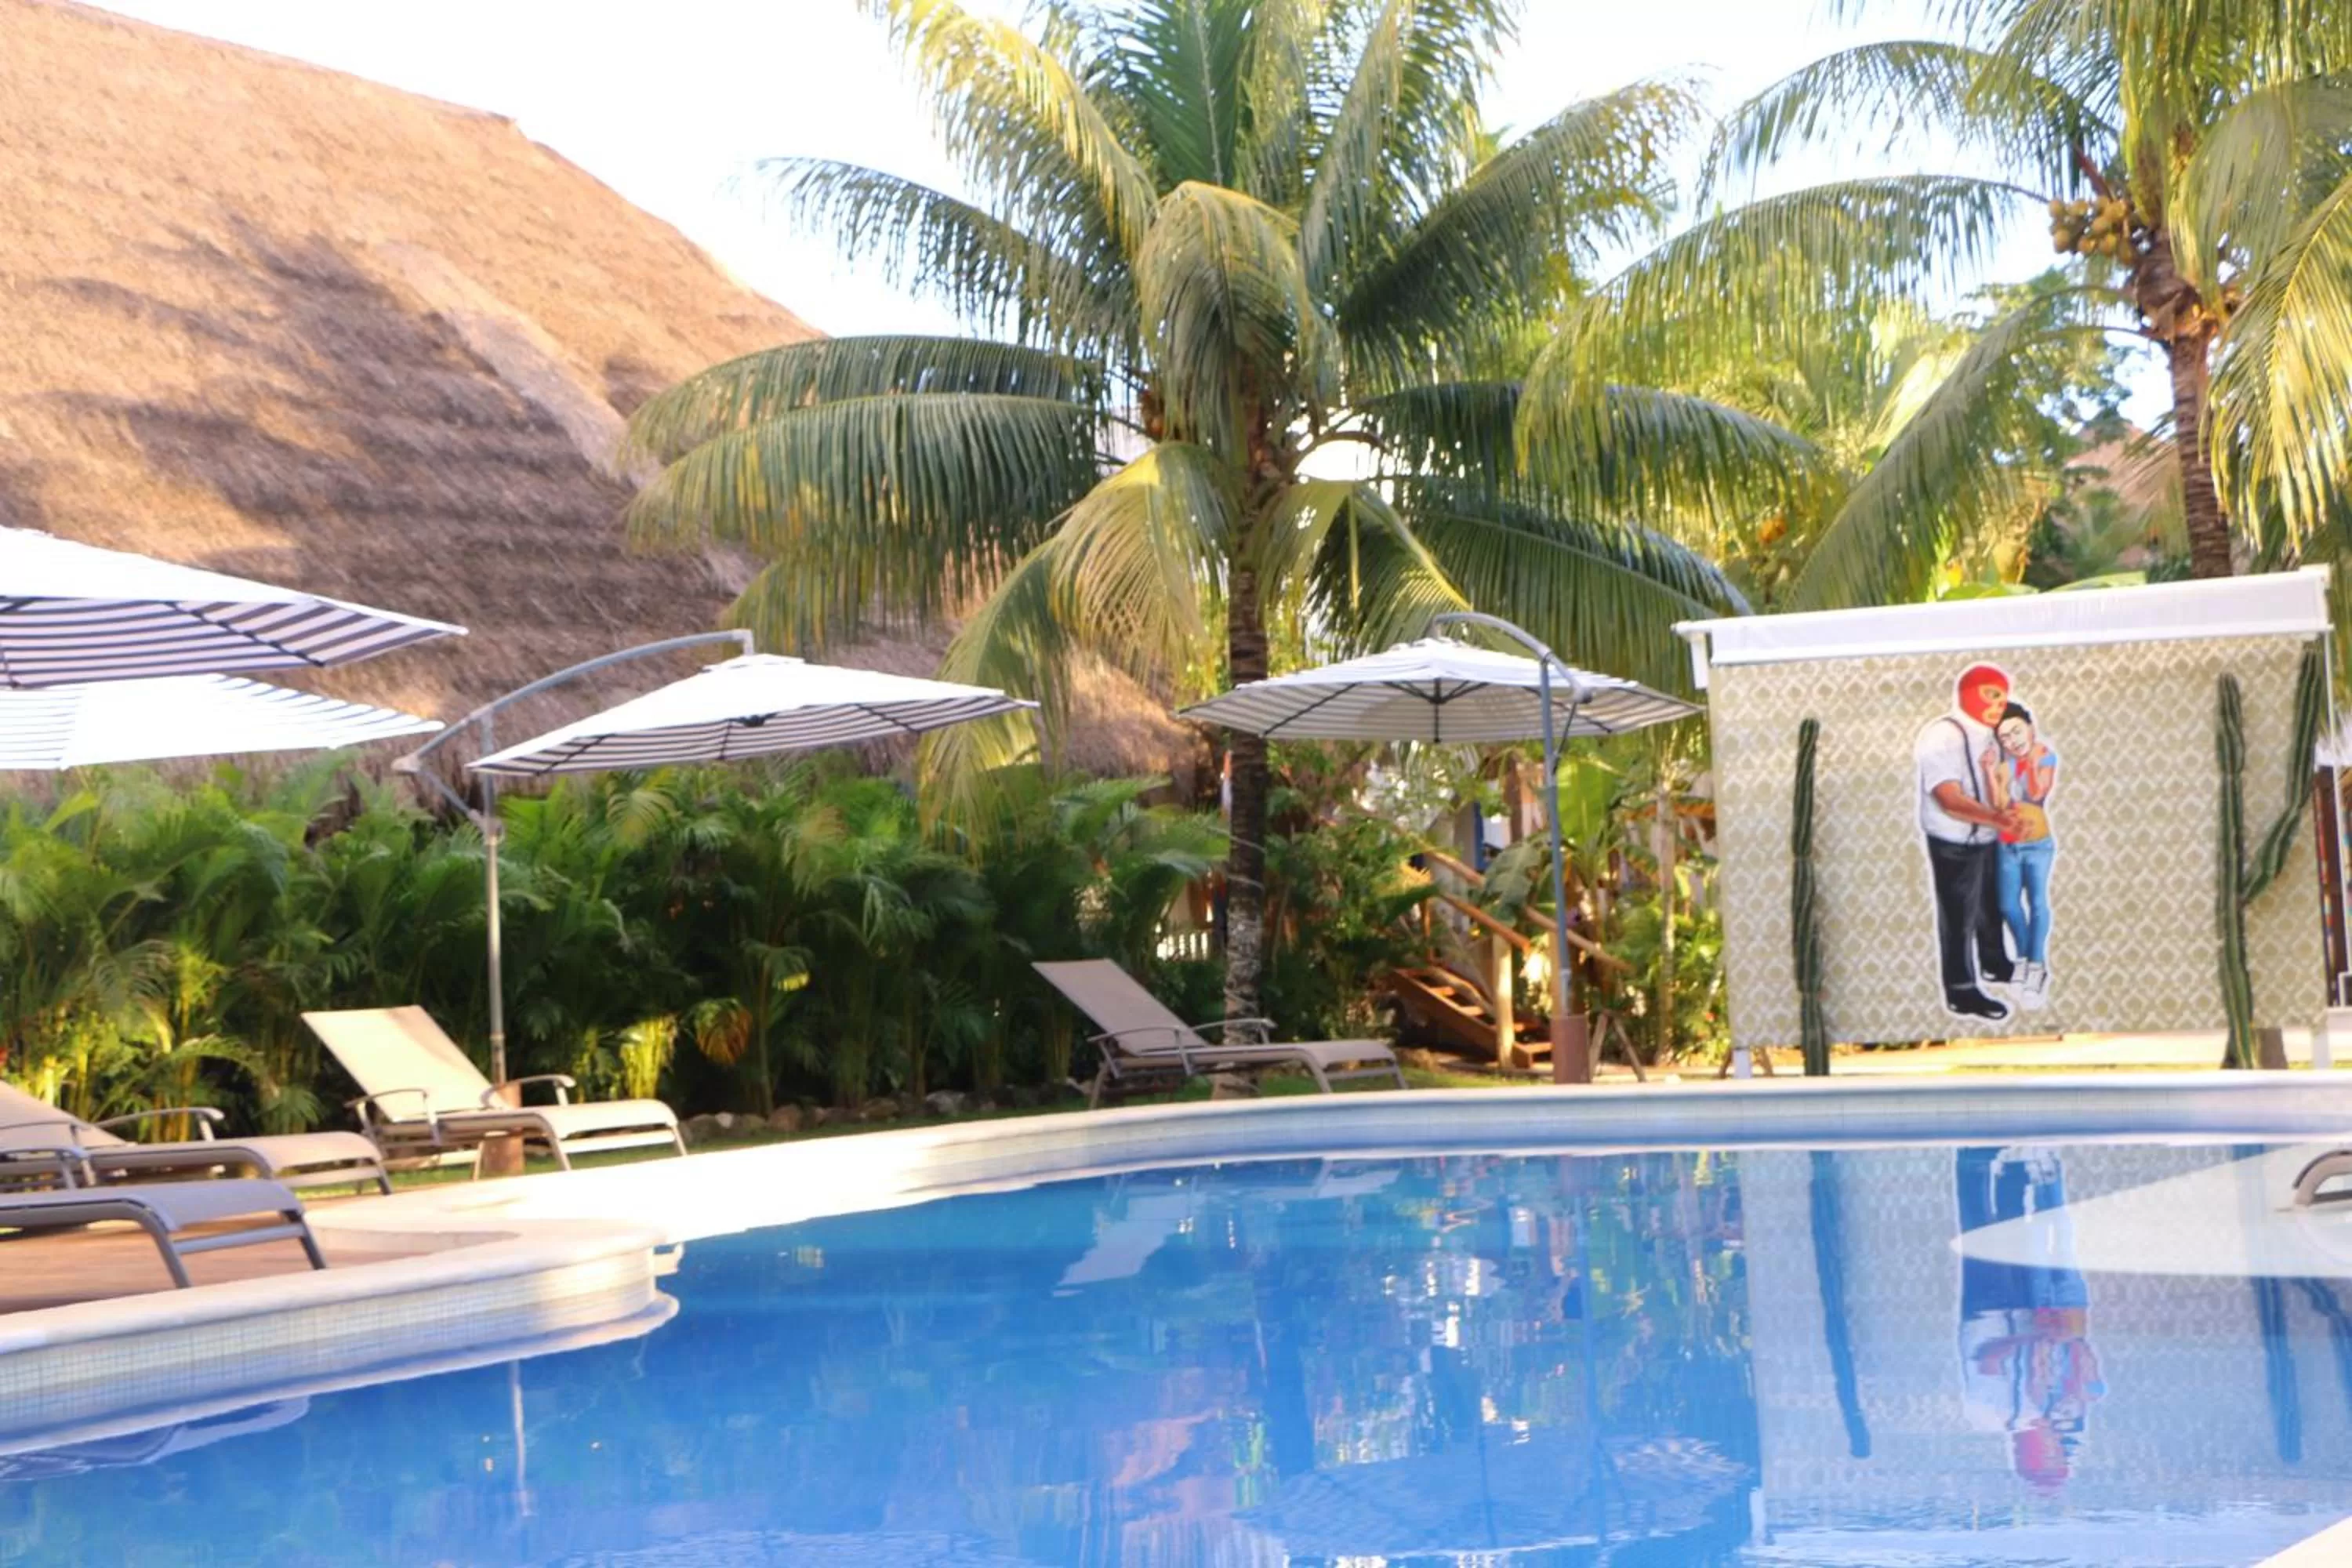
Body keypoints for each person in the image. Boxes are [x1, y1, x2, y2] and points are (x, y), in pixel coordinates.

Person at [1915, 665, 2022, 1019]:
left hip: (1988, 838)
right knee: (1958, 915)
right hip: (1954, 841)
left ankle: (1995, 963)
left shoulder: (1994, 736)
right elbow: (1948, 797)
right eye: (1991, 695)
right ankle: (1961, 989)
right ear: (1969, 693)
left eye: (2003, 698)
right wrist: (1994, 817)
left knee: (1991, 905)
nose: (1998, 705)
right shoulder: (1942, 735)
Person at [1986, 703, 2057, 1007]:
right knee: (2008, 905)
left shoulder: (2044, 755)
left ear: (2030, 727)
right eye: (2004, 738)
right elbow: (2000, 805)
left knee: (2038, 903)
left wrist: (2026, 760)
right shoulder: (2004, 766)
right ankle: (2027, 959)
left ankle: (2035, 966)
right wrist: (1992, 772)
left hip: (2038, 843)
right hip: (2008, 844)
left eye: (2016, 731)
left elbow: (2037, 791)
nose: (2012, 740)